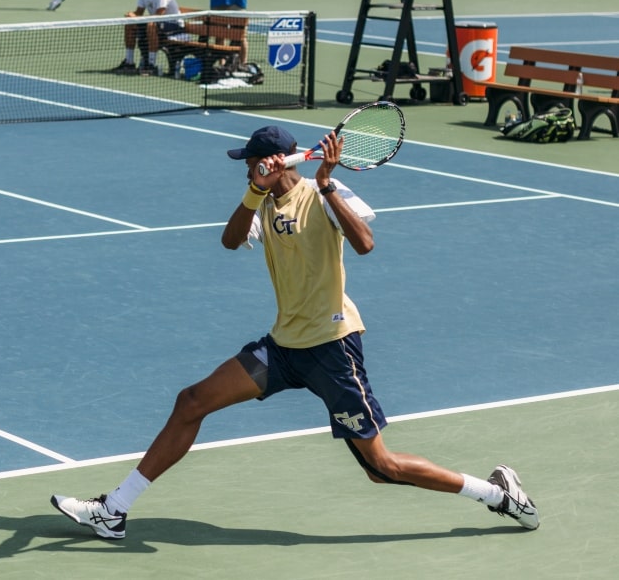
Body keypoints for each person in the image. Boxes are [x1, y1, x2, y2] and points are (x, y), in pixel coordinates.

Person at [50, 125, 540, 539]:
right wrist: (254, 191)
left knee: (381, 469)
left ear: (273, 161)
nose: (245, 169)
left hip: (332, 350)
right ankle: (114, 510)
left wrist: (327, 182)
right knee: (192, 401)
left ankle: (498, 495)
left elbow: (365, 243)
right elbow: (229, 241)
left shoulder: (322, 194)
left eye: (251, 163)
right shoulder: (262, 201)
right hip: (283, 348)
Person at [112, 0, 184, 76]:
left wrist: (138, 18)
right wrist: (132, 16)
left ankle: (151, 65)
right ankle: (129, 62)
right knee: (129, 23)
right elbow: (139, 12)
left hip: (174, 25)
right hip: (156, 22)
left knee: (151, 25)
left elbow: (160, 14)